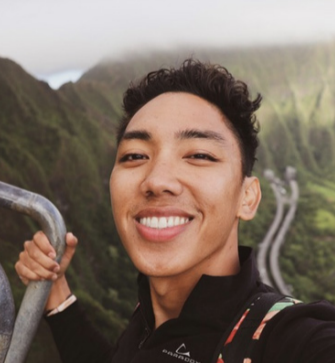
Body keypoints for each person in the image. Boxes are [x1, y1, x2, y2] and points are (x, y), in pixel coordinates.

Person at [15, 59, 335, 363]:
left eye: (198, 154)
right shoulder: (148, 320)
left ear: (247, 197)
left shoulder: (287, 338)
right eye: (135, 155)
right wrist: (56, 291)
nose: (157, 180)